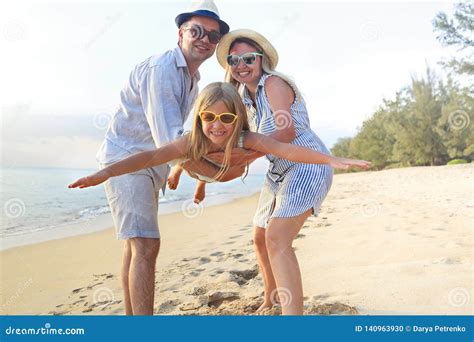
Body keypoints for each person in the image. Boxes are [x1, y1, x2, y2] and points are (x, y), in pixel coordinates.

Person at [92, 0, 235, 315]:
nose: (204, 40)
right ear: (181, 33)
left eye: (213, 36)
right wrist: (217, 172)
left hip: (150, 166)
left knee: (135, 246)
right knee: (146, 245)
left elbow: (187, 138)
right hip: (127, 160)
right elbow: (172, 141)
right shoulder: (163, 69)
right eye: (196, 31)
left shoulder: (193, 80)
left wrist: (191, 170)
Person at [214, 29, 349, 314]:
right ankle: (271, 300)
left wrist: (247, 155)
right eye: (234, 60)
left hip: (306, 164)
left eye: (248, 58)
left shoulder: (273, 83)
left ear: (261, 59)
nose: (241, 65)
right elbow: (232, 137)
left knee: (277, 238)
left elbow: (286, 131)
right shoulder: (240, 96)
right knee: (260, 237)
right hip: (278, 170)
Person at [69, 83, 369, 203]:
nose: (217, 125)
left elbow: (286, 149)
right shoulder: (192, 140)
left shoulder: (244, 138)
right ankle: (188, 176)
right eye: (209, 117)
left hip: (228, 170)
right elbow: (149, 157)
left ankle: (198, 180)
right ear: (199, 117)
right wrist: (106, 172)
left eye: (227, 118)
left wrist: (330, 159)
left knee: (203, 158)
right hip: (200, 166)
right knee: (179, 156)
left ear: (237, 119)